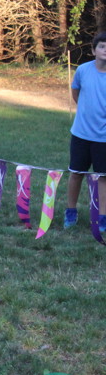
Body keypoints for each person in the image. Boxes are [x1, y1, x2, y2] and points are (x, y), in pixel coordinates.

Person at [64, 32, 106, 231]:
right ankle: (70, 212)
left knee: (103, 177)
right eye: (102, 46)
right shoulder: (82, 70)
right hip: (81, 134)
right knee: (76, 174)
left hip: (103, 138)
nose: (105, 50)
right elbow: (76, 92)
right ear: (93, 50)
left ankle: (103, 217)